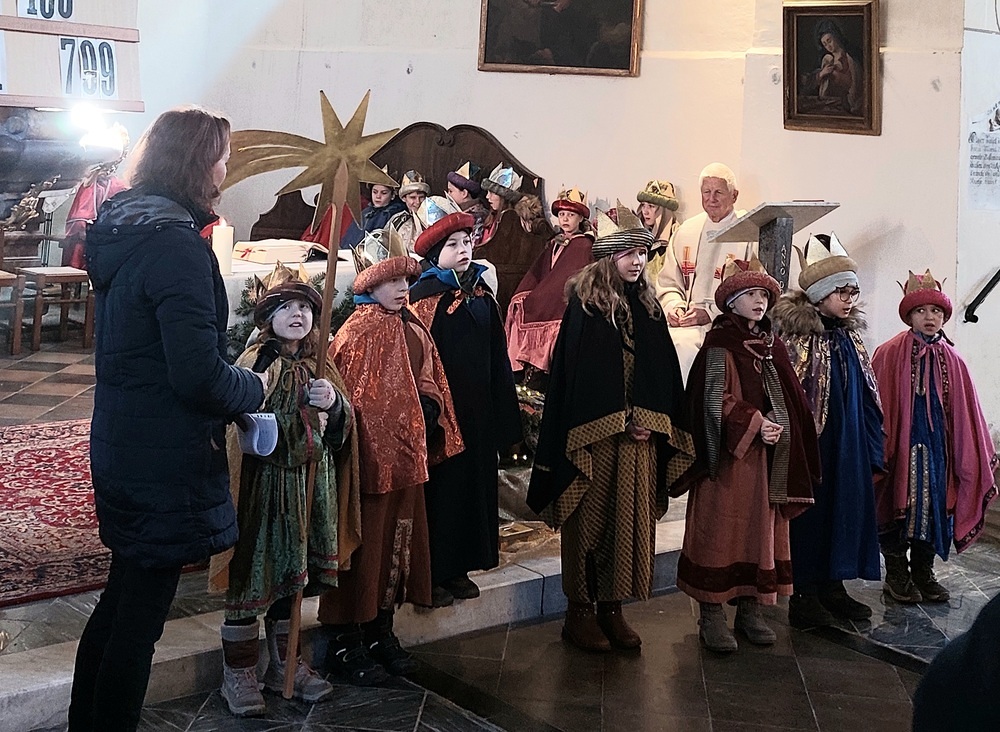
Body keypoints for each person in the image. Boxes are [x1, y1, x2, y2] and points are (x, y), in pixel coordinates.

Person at [71, 106, 267, 732]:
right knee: (137, 624)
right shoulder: (176, 247)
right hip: (163, 456)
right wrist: (254, 386)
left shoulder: (129, 228)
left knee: (121, 602)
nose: (226, 169)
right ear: (195, 164)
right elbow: (197, 374)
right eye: (221, 158)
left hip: (126, 440)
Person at [526, 203, 694, 652]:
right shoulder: (586, 308)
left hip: (640, 442)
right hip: (595, 443)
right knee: (592, 521)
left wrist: (649, 419)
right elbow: (580, 379)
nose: (638, 261)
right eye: (629, 254)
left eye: (642, 253)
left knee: (629, 522)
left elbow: (662, 372)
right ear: (607, 257)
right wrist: (620, 418)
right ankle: (579, 612)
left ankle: (612, 608)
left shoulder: (649, 308)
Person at [210, 269, 359, 716]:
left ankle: (285, 664)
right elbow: (239, 422)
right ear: (268, 317)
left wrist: (335, 404)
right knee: (253, 573)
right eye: (287, 307)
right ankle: (238, 672)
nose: (298, 315)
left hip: (311, 491)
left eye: (306, 308)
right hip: (266, 490)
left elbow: (344, 432)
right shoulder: (257, 361)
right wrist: (288, 420)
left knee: (295, 576)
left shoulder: (320, 366)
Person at [318, 230, 463, 683]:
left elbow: (429, 375)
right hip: (368, 466)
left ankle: (381, 629)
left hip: (407, 459)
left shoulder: (413, 325)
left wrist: (430, 405)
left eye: (406, 280)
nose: (403, 289)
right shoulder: (356, 332)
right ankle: (346, 638)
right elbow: (346, 395)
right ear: (370, 284)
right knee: (365, 549)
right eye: (392, 281)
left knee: (399, 548)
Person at [675, 257, 820, 653]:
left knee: (760, 531)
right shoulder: (719, 345)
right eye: (750, 294)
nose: (759, 301)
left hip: (768, 460)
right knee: (720, 528)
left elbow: (791, 398)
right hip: (728, 460)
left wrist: (781, 423)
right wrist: (755, 422)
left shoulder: (772, 345)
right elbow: (711, 400)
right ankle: (711, 612)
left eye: (764, 295)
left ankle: (751, 608)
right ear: (731, 301)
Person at [409, 201, 522, 607]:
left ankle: (460, 566)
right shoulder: (424, 298)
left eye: (467, 241)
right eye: (453, 244)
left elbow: (498, 358)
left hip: (477, 412)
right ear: (434, 254)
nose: (463, 250)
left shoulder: (481, 294)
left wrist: (505, 417)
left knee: (472, 486)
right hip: (441, 414)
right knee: (442, 490)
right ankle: (433, 572)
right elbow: (417, 361)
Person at [770, 234, 884, 627]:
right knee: (812, 515)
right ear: (819, 294)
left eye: (853, 291)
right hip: (814, 443)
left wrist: (870, 439)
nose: (849, 299)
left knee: (844, 508)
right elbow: (787, 391)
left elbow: (866, 389)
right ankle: (805, 593)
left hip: (847, 440)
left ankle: (834, 584)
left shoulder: (848, 335)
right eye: (841, 291)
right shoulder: (798, 336)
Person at [871, 270, 998, 603]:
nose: (930, 317)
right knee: (895, 504)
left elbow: (968, 411)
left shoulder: (954, 359)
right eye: (921, 311)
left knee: (933, 508)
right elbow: (876, 402)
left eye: (936, 311)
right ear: (909, 315)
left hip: (938, 450)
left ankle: (923, 572)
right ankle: (896, 573)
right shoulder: (889, 352)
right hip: (899, 447)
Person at [656, 163, 753, 382]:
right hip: (686, 321)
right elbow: (669, 282)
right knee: (660, 343)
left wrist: (710, 313)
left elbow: (752, 290)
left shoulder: (748, 233)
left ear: (734, 195)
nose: (711, 198)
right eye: (706, 192)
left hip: (725, 322)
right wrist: (675, 307)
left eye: (719, 192)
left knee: (684, 347)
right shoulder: (686, 231)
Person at [504, 187, 594, 383]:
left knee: (538, 307)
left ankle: (539, 369)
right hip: (546, 293)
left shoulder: (583, 245)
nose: (565, 219)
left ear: (580, 218)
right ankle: (524, 370)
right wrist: (531, 291)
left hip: (562, 300)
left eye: (571, 215)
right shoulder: (555, 242)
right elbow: (540, 272)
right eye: (562, 214)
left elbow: (567, 276)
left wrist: (542, 295)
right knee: (520, 305)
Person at [799, 19, 864, 116]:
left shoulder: (850, 57)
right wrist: (821, 74)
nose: (828, 46)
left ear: (836, 36)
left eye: (829, 41)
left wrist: (838, 76)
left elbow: (857, 85)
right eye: (825, 44)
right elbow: (808, 82)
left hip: (847, 105)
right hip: (827, 104)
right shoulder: (827, 60)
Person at [340, 174, 406, 250]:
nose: (378, 196)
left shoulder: (393, 215)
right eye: (375, 192)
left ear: (392, 195)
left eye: (384, 193)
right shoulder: (365, 213)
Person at [635, 179, 680, 280]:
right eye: (643, 205)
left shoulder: (676, 239)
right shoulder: (638, 236)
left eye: (651, 206)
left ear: (664, 211)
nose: (645, 211)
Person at [445, 161, 489, 247]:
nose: (448, 195)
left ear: (464, 193)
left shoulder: (477, 216)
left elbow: (471, 246)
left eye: (451, 191)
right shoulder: (462, 212)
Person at [387, 169, 430, 252]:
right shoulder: (397, 221)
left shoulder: (432, 218)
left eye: (421, 197)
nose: (418, 202)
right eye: (413, 197)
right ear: (404, 198)